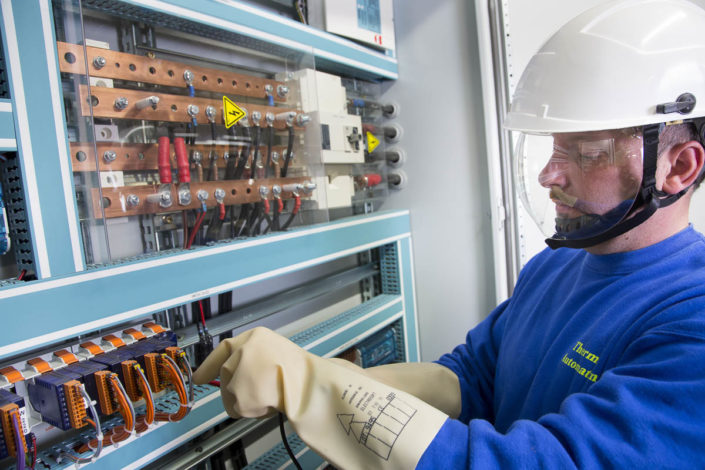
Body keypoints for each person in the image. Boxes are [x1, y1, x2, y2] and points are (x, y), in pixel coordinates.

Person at [193, 0, 705, 467]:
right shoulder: (557, 266)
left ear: (678, 167)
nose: (550, 175)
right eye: (553, 148)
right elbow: (472, 379)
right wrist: (344, 385)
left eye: (588, 153)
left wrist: (314, 392)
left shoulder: (692, 317)